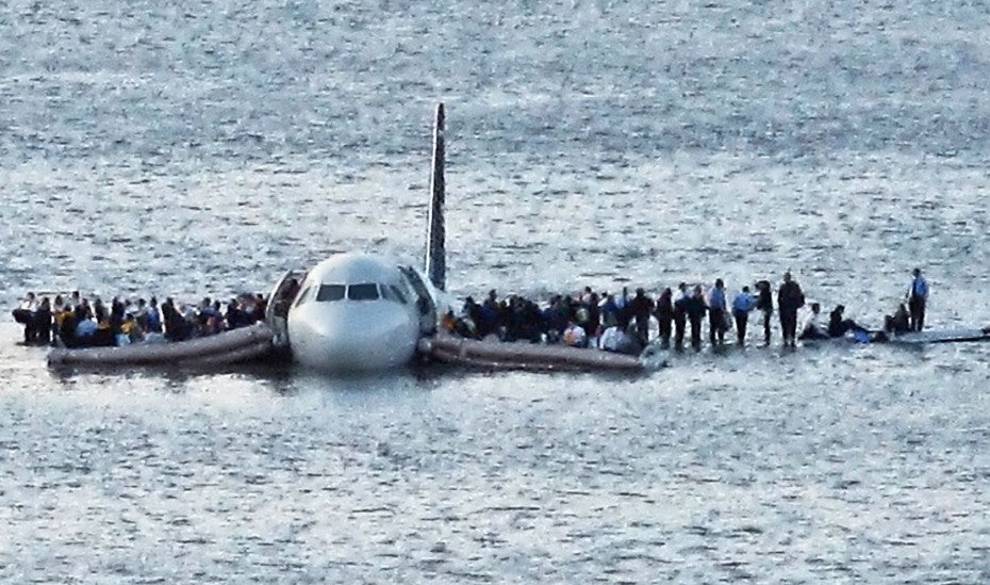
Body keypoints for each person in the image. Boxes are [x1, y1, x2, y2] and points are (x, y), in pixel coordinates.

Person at [777, 272, 805, 347]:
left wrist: (800, 304)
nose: (785, 279)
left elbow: (801, 295)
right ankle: (786, 338)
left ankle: (791, 338)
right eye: (785, 278)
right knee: (785, 324)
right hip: (784, 308)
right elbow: (779, 298)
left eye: (786, 277)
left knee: (792, 323)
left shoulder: (794, 286)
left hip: (792, 308)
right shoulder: (783, 287)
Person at [685, 285, 708, 351]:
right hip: (693, 316)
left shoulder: (701, 298)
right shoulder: (692, 299)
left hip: (698, 316)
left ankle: (697, 340)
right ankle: (694, 341)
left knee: (698, 328)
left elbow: (703, 306)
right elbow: (689, 308)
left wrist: (704, 313)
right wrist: (689, 315)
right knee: (694, 329)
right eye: (697, 291)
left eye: (699, 292)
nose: (698, 293)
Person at [708, 279, 728, 346]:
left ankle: (714, 339)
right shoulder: (716, 291)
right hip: (716, 310)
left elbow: (723, 301)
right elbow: (720, 302)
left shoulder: (712, 291)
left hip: (713, 310)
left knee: (714, 326)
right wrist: (724, 310)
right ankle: (719, 340)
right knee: (718, 325)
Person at [755, 280, 773, 345]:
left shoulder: (764, 293)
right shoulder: (767, 292)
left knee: (766, 324)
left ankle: (767, 338)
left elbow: (762, 301)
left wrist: (758, 305)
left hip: (767, 309)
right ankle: (767, 338)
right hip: (768, 309)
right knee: (766, 324)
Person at [673, 283, 689, 351]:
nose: (686, 288)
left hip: (679, 314)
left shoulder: (679, 294)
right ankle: (678, 344)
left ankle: (678, 343)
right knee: (680, 329)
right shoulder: (680, 294)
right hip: (679, 314)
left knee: (679, 329)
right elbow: (678, 303)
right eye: (685, 287)